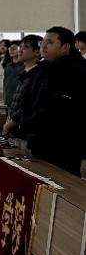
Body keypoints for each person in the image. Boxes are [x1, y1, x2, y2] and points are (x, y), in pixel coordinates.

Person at [21, 26, 86, 176]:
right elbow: (29, 98)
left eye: (49, 42)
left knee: (60, 183)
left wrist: (28, 123)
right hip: (39, 139)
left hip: (63, 144)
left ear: (65, 47)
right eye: (42, 42)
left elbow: (57, 108)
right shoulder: (44, 67)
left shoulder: (76, 71)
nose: (43, 46)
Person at [2, 34, 43, 138]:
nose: (20, 50)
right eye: (20, 47)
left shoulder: (38, 75)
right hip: (15, 125)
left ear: (37, 52)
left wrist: (11, 123)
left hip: (26, 130)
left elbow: (28, 106)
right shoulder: (25, 72)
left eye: (25, 47)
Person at [2, 40, 23, 107]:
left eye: (14, 48)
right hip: (8, 100)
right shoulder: (8, 66)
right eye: (10, 48)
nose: (11, 50)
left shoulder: (24, 66)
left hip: (20, 100)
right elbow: (5, 82)